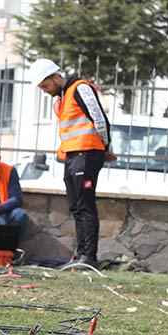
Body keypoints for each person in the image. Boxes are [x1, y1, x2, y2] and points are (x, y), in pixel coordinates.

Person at [28, 58, 116, 267]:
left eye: (45, 86)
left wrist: (105, 147)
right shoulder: (61, 99)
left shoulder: (80, 88)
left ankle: (89, 257)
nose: (45, 91)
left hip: (86, 154)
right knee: (76, 206)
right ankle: (80, 254)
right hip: (72, 156)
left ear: (56, 78)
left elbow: (99, 117)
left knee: (85, 206)